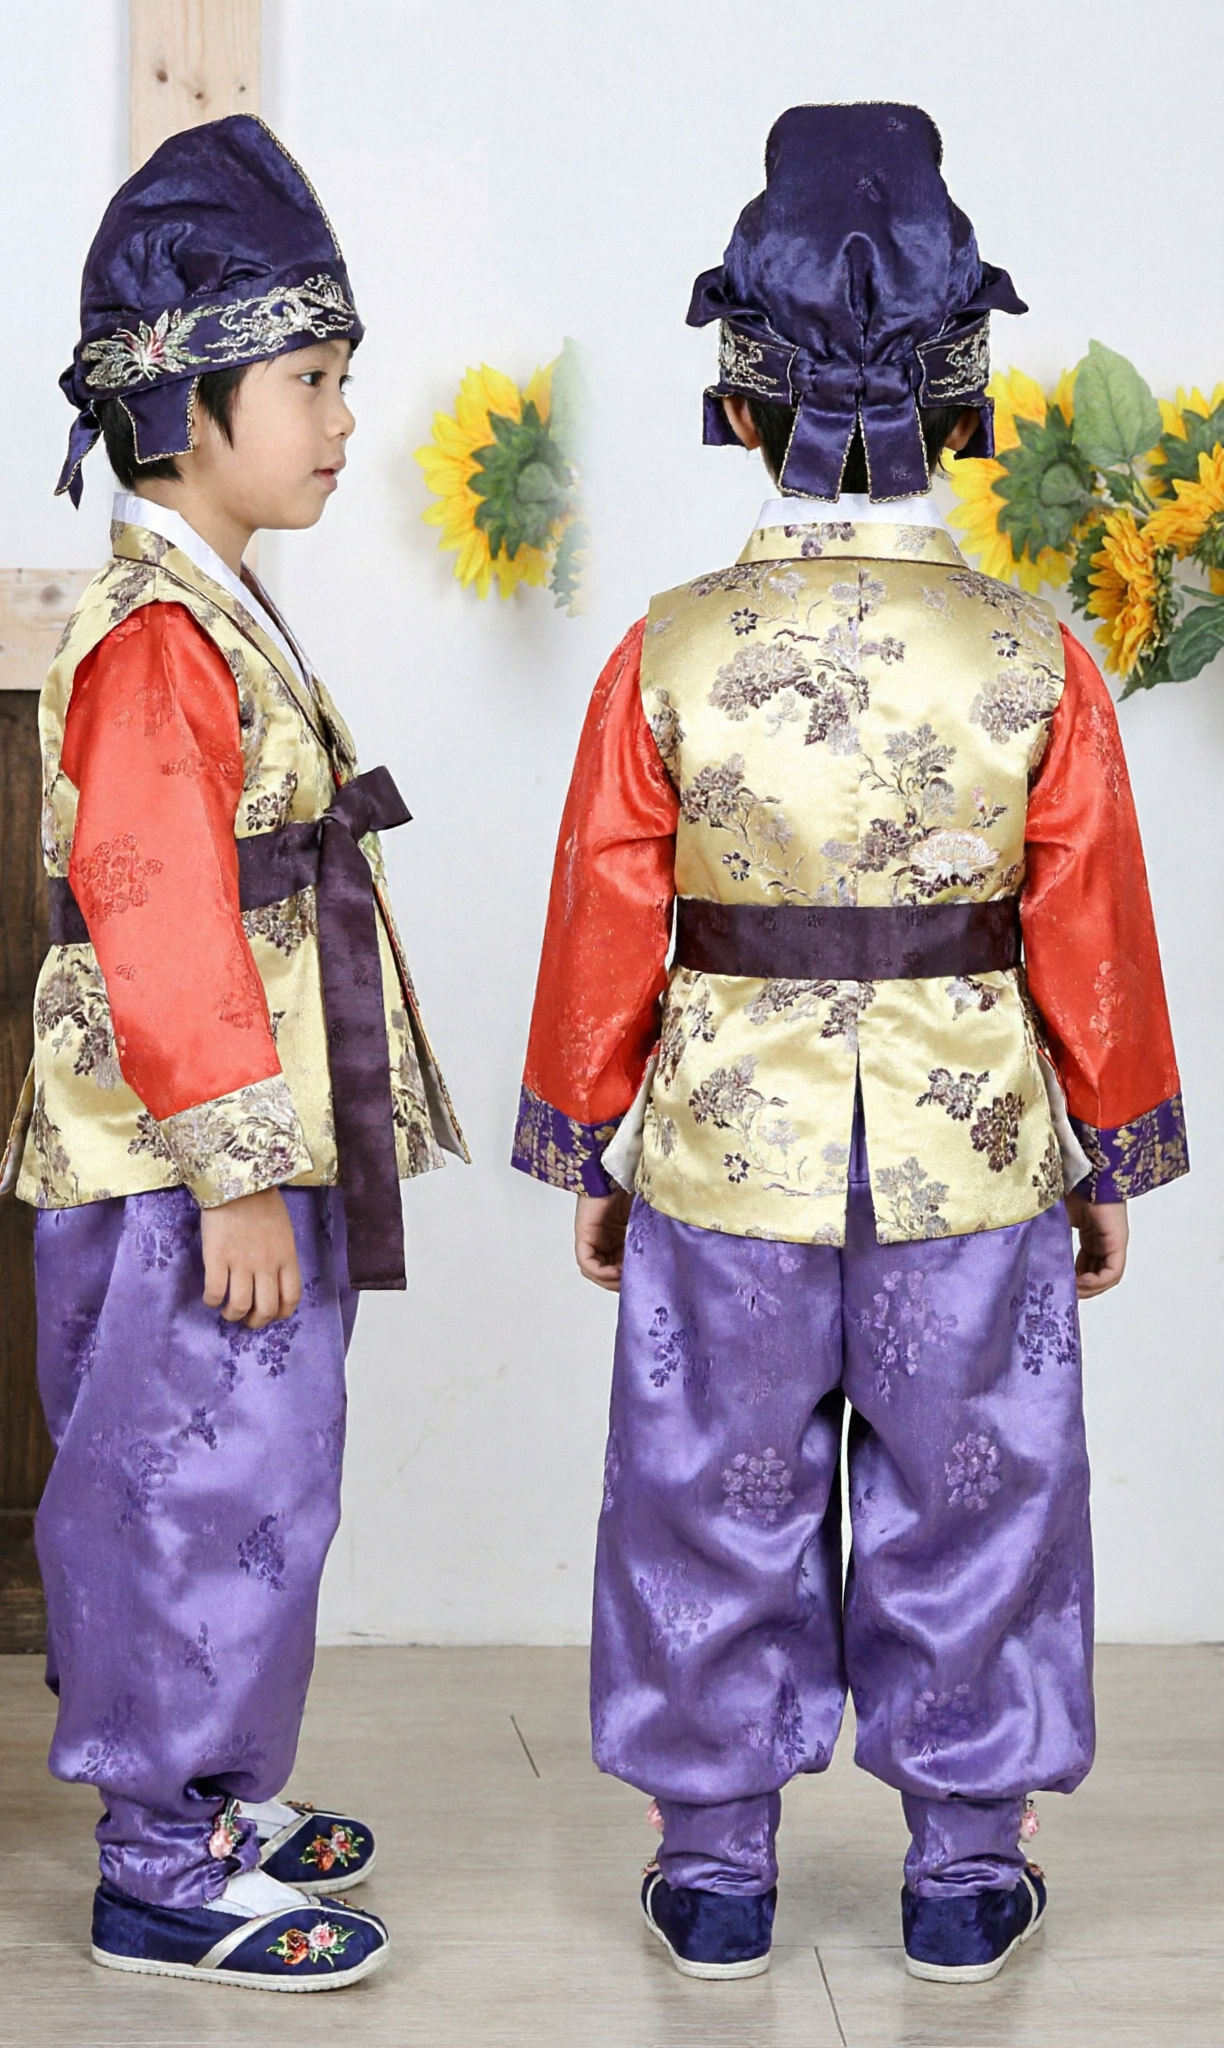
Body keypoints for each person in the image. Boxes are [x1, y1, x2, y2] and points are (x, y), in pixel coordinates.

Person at [513, 103, 1185, 1987]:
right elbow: (1093, 932)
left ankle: (715, 1855)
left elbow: (602, 919)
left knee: (705, 1486)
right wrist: (1107, 1155)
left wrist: (590, 1146)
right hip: (976, 1145)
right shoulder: (1037, 654)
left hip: (722, 1140)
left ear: (736, 402)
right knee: (978, 1487)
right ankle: (967, 1859)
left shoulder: (663, 648)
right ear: (968, 407)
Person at [0, 113, 465, 1990]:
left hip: (240, 1151)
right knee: (183, 1479)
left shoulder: (211, 606)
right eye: (311, 380)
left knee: (260, 1470)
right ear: (187, 401)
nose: (344, 418)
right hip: (187, 1167)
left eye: (345, 377)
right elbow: (157, 902)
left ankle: (215, 1784)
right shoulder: (150, 638)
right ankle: (159, 1858)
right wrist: (244, 1169)